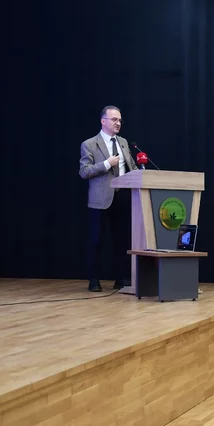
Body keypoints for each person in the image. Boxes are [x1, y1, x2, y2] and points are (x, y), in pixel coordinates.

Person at [79, 105, 139, 292]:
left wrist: (143, 175)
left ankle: (120, 279)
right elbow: (84, 171)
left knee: (121, 240)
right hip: (100, 199)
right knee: (96, 240)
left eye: (120, 120)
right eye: (114, 119)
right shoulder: (90, 144)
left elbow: (132, 167)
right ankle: (93, 280)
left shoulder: (123, 142)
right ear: (103, 121)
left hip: (122, 197)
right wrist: (106, 164)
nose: (118, 123)